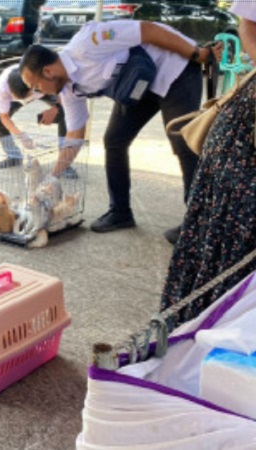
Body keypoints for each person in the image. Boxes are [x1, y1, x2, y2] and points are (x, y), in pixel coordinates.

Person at [18, 20, 221, 243]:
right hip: (138, 86)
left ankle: (198, 223)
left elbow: (148, 30)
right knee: (114, 140)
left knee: (184, 142)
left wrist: (197, 54)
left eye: (37, 87)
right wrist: (52, 177)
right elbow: (75, 134)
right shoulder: (68, 90)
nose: (39, 93)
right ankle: (120, 212)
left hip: (174, 69)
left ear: (47, 71)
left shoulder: (88, 43)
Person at [160, 0, 256, 324]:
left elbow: (249, 25)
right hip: (240, 155)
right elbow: (250, 25)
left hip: (238, 160)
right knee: (224, 250)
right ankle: (199, 335)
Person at [0, 64, 76, 179]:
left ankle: (64, 163)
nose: (27, 100)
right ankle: (14, 156)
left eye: (28, 95)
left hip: (42, 90)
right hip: (25, 92)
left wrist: (55, 108)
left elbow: (65, 91)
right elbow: (4, 116)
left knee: (65, 112)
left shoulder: (43, 75)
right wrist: (21, 136)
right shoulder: (3, 86)